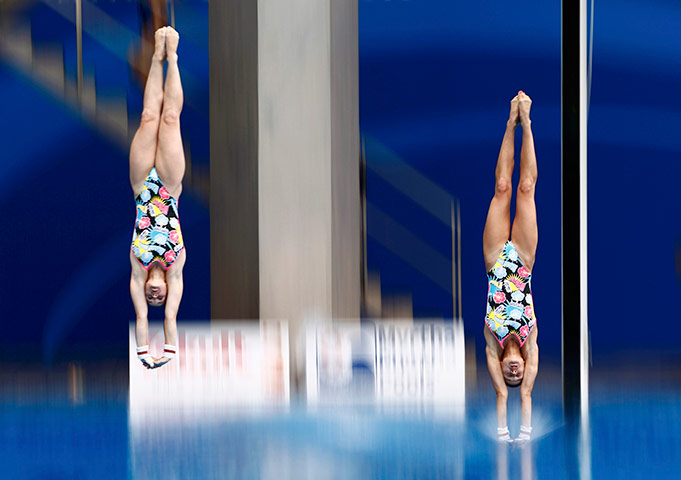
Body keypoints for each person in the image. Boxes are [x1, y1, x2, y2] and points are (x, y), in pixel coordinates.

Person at [483, 91, 539, 443]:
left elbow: (503, 394)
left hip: (493, 262)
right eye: (518, 375)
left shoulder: (493, 342)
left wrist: (504, 428)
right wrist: (524, 430)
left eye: (511, 374)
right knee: (525, 188)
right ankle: (527, 121)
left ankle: (509, 121)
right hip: (522, 260)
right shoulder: (531, 341)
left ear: (502, 368)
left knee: (502, 188)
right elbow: (525, 395)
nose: (516, 372)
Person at [130, 26, 185, 369]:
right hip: (168, 187)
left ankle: (154, 57)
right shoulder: (176, 268)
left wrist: (143, 355)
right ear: (165, 292)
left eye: (151, 298)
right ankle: (173, 56)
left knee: (148, 117)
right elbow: (169, 322)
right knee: (169, 118)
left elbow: (142, 321)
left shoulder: (137, 270)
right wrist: (168, 352)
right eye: (158, 297)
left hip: (141, 187)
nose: (154, 296)